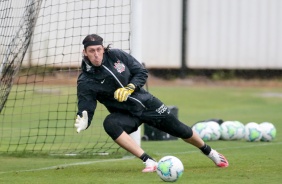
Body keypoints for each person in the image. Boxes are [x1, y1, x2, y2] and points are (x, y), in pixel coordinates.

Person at [75, 34, 229, 172]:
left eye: (98, 49)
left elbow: (141, 72)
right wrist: (84, 120)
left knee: (182, 130)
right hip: (126, 114)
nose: (96, 54)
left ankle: (210, 152)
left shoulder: (116, 55)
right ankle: (149, 161)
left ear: (103, 49)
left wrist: (130, 87)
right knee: (110, 124)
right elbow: (86, 108)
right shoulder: (85, 81)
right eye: (91, 51)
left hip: (147, 104)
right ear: (85, 53)